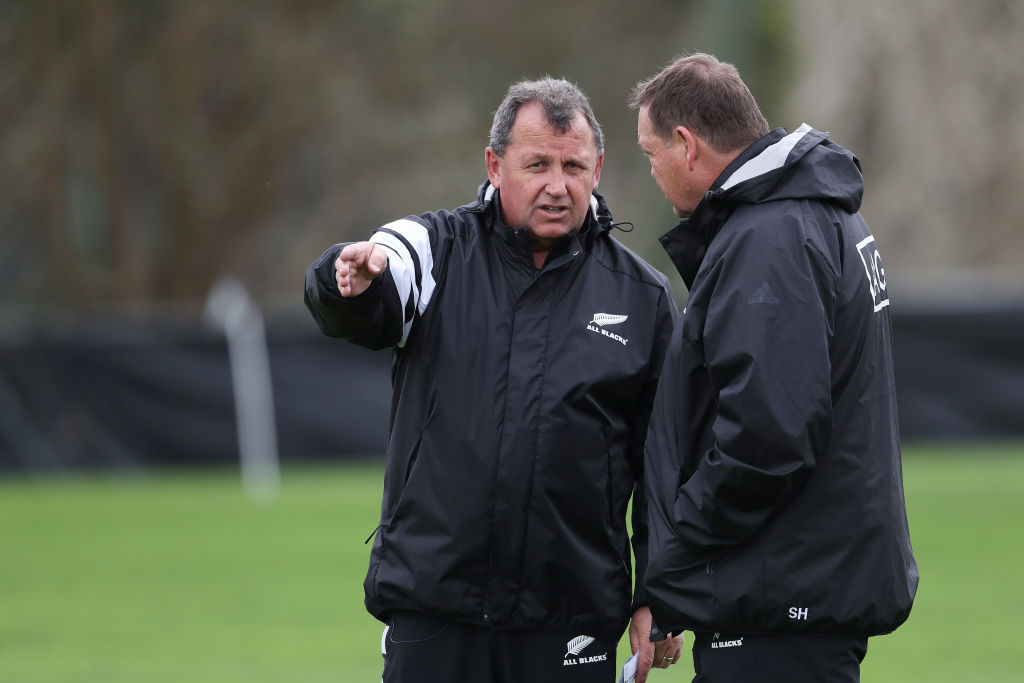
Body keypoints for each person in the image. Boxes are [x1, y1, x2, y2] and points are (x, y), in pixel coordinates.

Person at [305, 77, 683, 682]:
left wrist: (655, 595)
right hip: (436, 611)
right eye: (536, 164)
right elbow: (382, 274)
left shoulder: (644, 298)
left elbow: (666, 462)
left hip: (572, 619)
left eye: (573, 166)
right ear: (494, 164)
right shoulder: (436, 249)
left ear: (599, 169)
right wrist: (347, 276)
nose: (556, 186)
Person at [630, 53, 919, 682]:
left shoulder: (771, 236)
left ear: (687, 145)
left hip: (783, 599)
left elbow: (768, 436)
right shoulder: (817, 212)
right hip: (801, 588)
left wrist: (677, 554)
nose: (651, 173)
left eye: (651, 154)